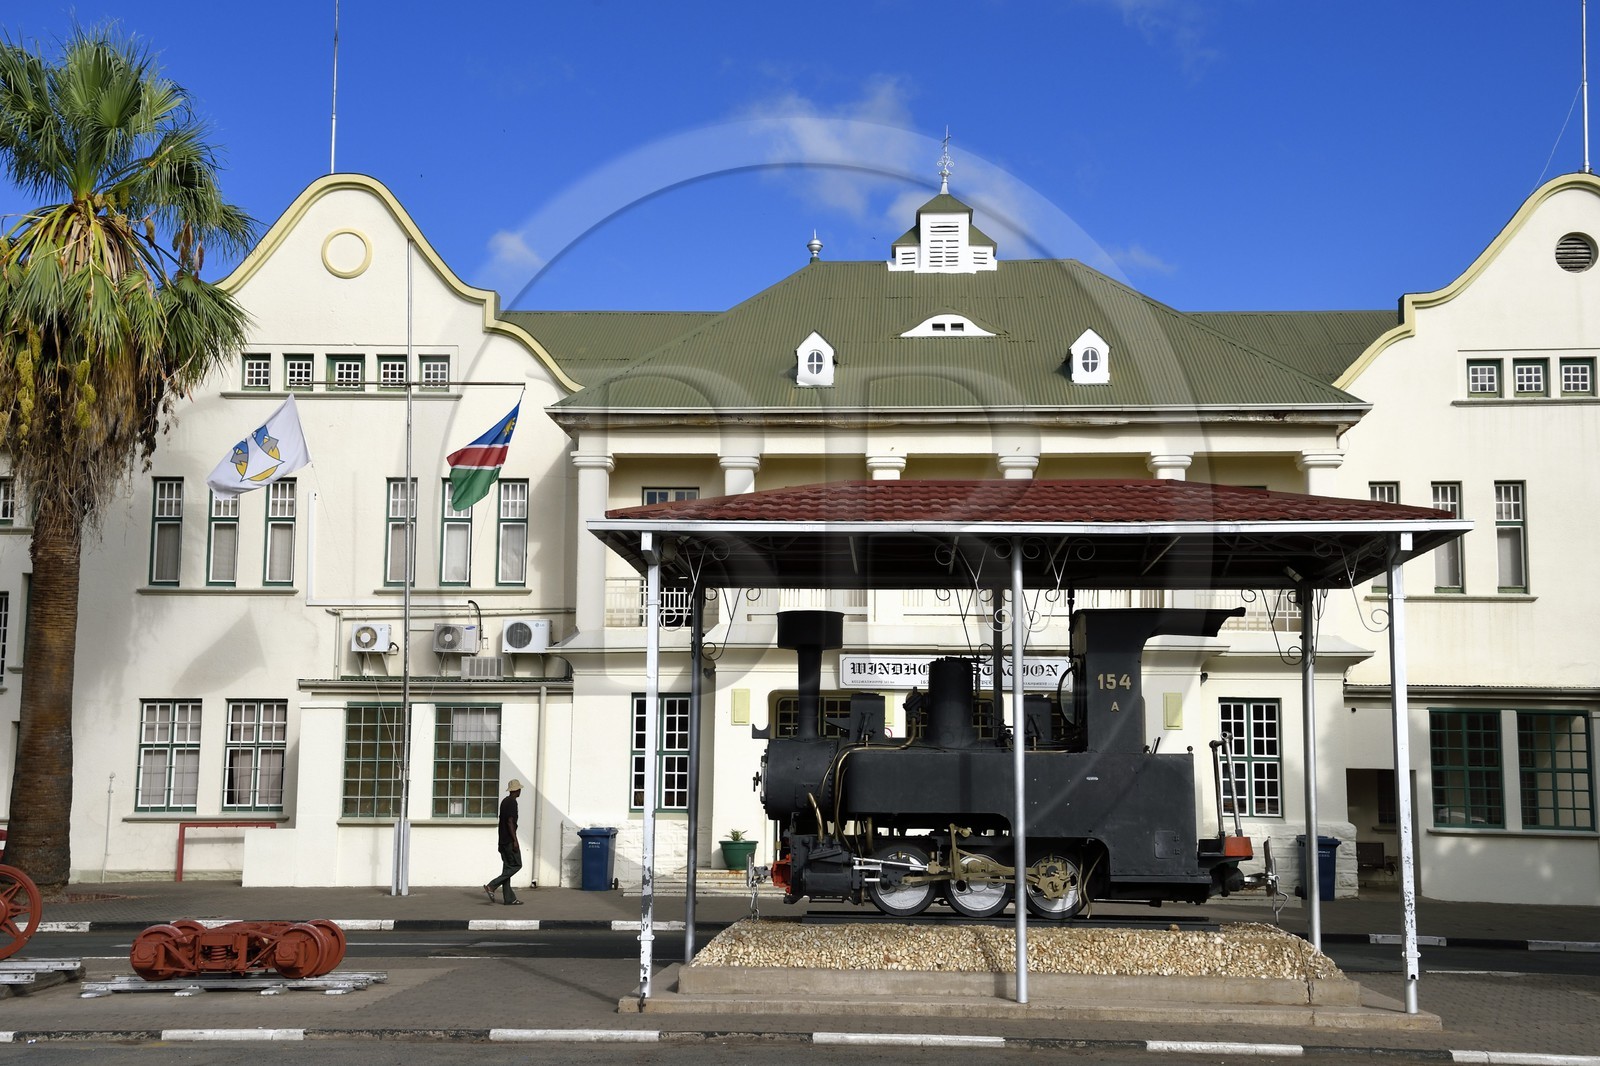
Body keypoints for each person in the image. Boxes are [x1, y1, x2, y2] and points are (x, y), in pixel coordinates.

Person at [483, 779, 524, 905]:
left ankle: (509, 899)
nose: (520, 791)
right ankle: (492, 885)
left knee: (507, 868)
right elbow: (510, 822)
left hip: (502, 840)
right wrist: (515, 840)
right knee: (517, 865)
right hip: (509, 841)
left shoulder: (504, 801)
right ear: (516, 790)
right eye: (519, 789)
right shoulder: (512, 803)